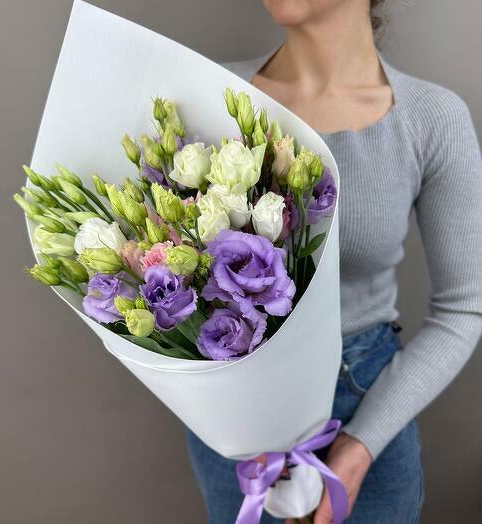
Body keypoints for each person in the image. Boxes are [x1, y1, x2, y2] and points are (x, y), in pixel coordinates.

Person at [186, 0, 482, 522]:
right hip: (239, 435)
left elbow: (464, 308)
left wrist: (358, 448)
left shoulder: (430, 120)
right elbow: (169, 275)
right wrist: (231, 416)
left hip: (372, 407)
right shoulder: (213, 97)